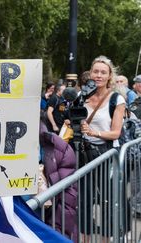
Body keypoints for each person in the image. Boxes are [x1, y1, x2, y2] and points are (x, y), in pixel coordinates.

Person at [78, 55, 127, 239]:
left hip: (106, 155)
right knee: (84, 202)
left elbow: (115, 133)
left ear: (109, 76)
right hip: (83, 154)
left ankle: (107, 239)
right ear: (90, 73)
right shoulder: (81, 96)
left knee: (106, 201)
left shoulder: (117, 99)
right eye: (95, 71)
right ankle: (84, 240)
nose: (98, 75)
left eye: (103, 72)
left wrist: (94, 133)